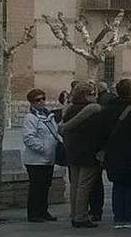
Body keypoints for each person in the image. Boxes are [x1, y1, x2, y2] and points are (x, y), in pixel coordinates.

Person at [103, 79, 131, 229]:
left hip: (113, 152)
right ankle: (127, 217)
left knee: (117, 185)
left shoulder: (107, 109)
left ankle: (118, 217)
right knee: (129, 186)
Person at [59, 82, 103, 228]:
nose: (94, 97)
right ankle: (81, 216)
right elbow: (97, 133)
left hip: (72, 151)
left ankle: (74, 213)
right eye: (92, 94)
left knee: (75, 185)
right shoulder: (92, 111)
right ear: (86, 95)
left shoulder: (69, 110)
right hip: (88, 152)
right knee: (84, 186)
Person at [22, 88, 60, 222]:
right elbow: (28, 137)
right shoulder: (30, 118)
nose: (41, 102)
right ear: (32, 102)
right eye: (38, 100)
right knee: (36, 187)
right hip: (35, 160)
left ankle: (43, 211)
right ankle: (34, 213)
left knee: (45, 186)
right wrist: (43, 148)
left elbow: (54, 133)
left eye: (43, 99)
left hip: (49, 159)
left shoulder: (48, 116)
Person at [90, 81, 116, 222]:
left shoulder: (96, 108)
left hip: (95, 149)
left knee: (93, 182)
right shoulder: (110, 102)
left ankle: (94, 210)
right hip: (104, 148)